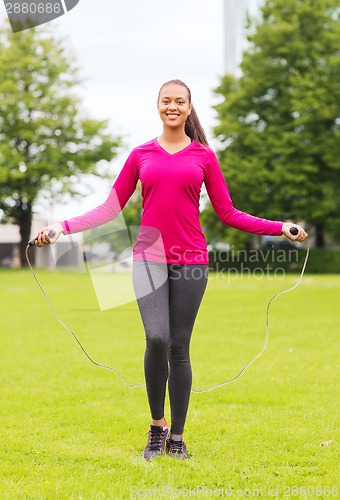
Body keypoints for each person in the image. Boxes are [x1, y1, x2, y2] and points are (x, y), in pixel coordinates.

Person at [35, 79, 308, 460]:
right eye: (167, 101)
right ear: (158, 106)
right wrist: (60, 227)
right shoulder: (140, 154)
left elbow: (228, 212)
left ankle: (177, 437)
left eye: (180, 101)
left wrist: (279, 227)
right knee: (157, 338)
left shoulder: (204, 157)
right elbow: (109, 209)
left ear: (190, 107)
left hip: (192, 259)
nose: (173, 107)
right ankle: (156, 426)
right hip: (148, 256)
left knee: (179, 347)